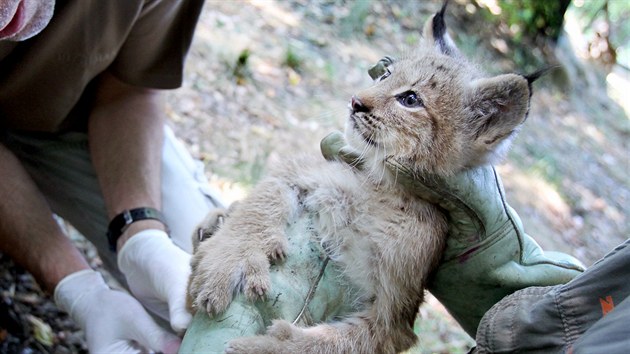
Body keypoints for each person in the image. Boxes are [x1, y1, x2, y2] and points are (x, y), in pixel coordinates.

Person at [0, 1, 222, 352]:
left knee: (217, 289)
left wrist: (141, 236)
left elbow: (129, 88)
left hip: (68, 120)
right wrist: (79, 291)